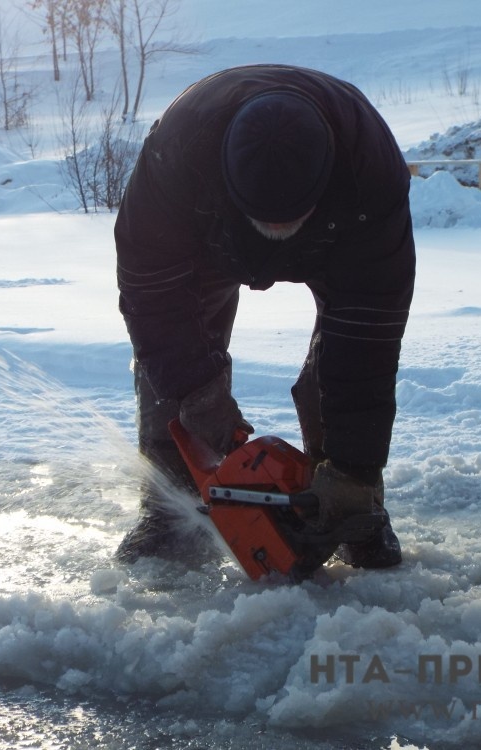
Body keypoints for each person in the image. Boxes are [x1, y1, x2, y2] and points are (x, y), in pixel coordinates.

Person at [113, 64, 416, 572]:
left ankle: (346, 496)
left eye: (288, 218)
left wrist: (355, 466)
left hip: (339, 234)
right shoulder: (176, 157)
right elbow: (153, 295)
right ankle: (170, 506)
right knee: (174, 365)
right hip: (206, 238)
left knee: (342, 357)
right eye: (264, 217)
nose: (276, 229)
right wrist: (196, 390)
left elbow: (368, 334)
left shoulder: (370, 170)